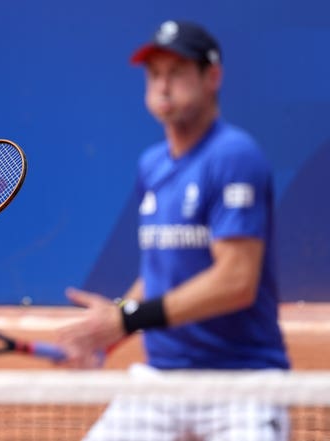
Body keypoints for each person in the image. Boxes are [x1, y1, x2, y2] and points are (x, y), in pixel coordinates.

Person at [59, 20, 290, 441]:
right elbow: (162, 272)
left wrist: (129, 319)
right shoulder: (153, 165)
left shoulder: (234, 156)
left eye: (177, 73)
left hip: (241, 383)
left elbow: (237, 281)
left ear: (212, 77)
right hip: (161, 382)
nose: (163, 86)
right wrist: (106, 333)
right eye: (155, 74)